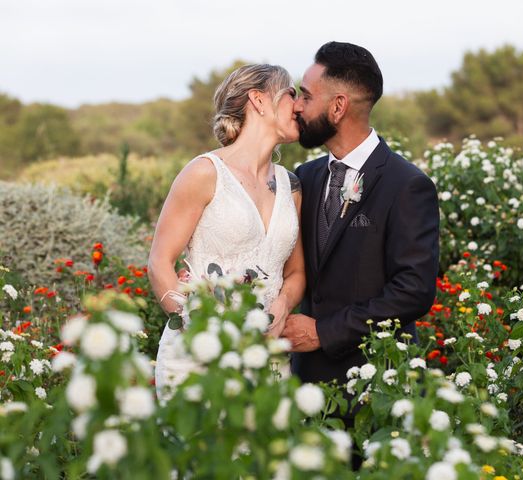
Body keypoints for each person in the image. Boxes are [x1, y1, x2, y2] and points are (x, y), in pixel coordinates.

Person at [282, 42, 439, 398]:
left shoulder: (407, 185)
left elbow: (413, 291)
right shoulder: (304, 176)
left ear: (338, 107)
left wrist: (324, 332)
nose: (297, 105)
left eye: (306, 95)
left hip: (377, 391)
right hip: (305, 386)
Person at [148, 64, 305, 400]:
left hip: (267, 358)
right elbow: (160, 262)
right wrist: (201, 330)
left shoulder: (291, 186)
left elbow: (295, 273)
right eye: (291, 93)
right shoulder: (204, 172)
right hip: (198, 360)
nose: (300, 103)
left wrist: (282, 306)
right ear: (259, 100)